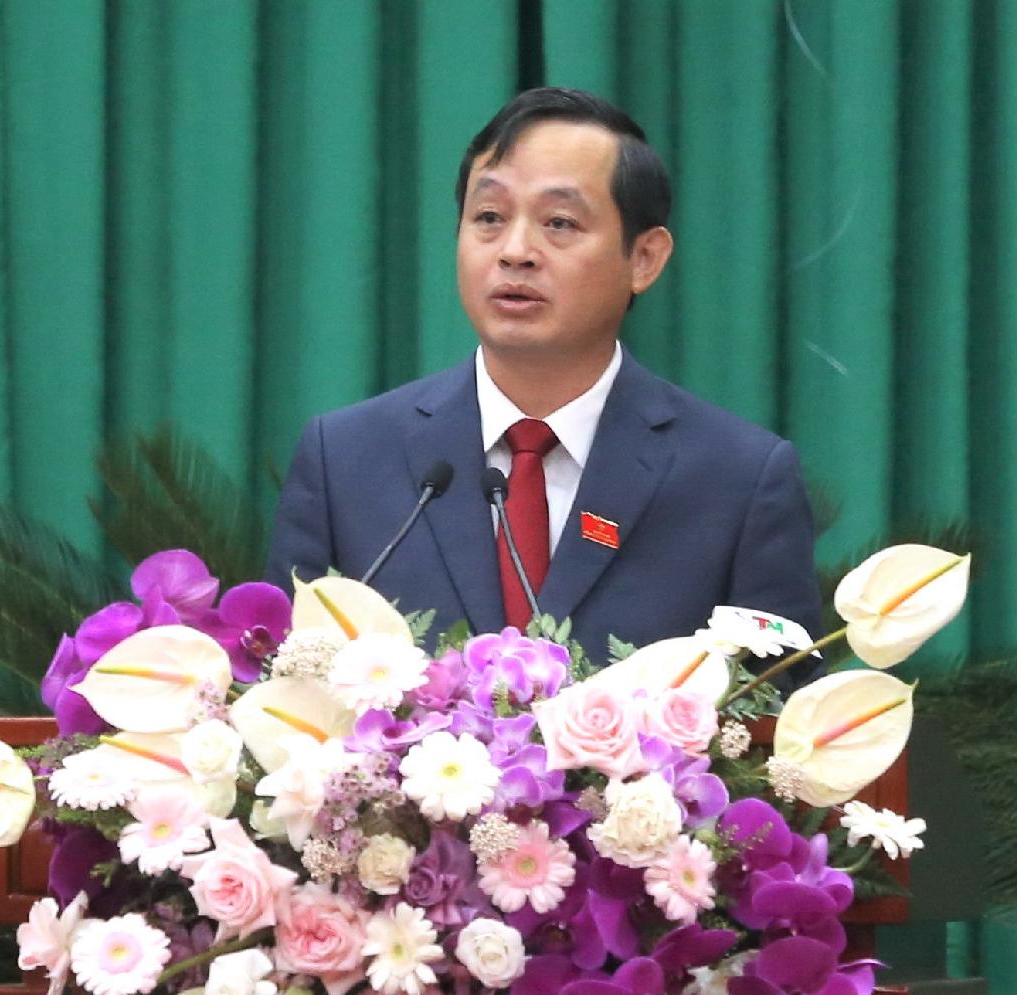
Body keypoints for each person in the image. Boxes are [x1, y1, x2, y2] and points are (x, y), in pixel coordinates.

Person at [266, 87, 819, 672]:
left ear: (644, 259)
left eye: (559, 222)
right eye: (489, 218)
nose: (515, 251)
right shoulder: (344, 461)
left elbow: (778, 708)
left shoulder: (738, 481)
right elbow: (283, 686)